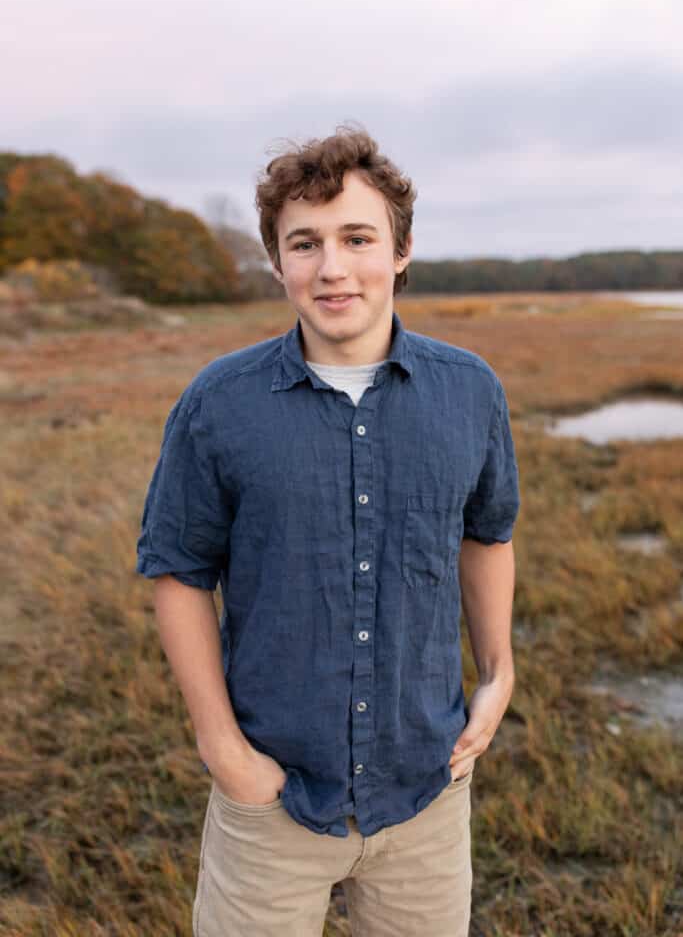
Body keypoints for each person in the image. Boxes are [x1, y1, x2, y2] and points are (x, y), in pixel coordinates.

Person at [136, 125, 521, 937]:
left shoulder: (470, 391)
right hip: (270, 798)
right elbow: (177, 570)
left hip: (426, 789)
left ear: (401, 250)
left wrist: (498, 672)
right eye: (304, 243)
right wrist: (223, 751)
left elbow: (487, 534)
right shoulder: (219, 403)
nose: (332, 268)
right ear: (277, 263)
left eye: (357, 238)